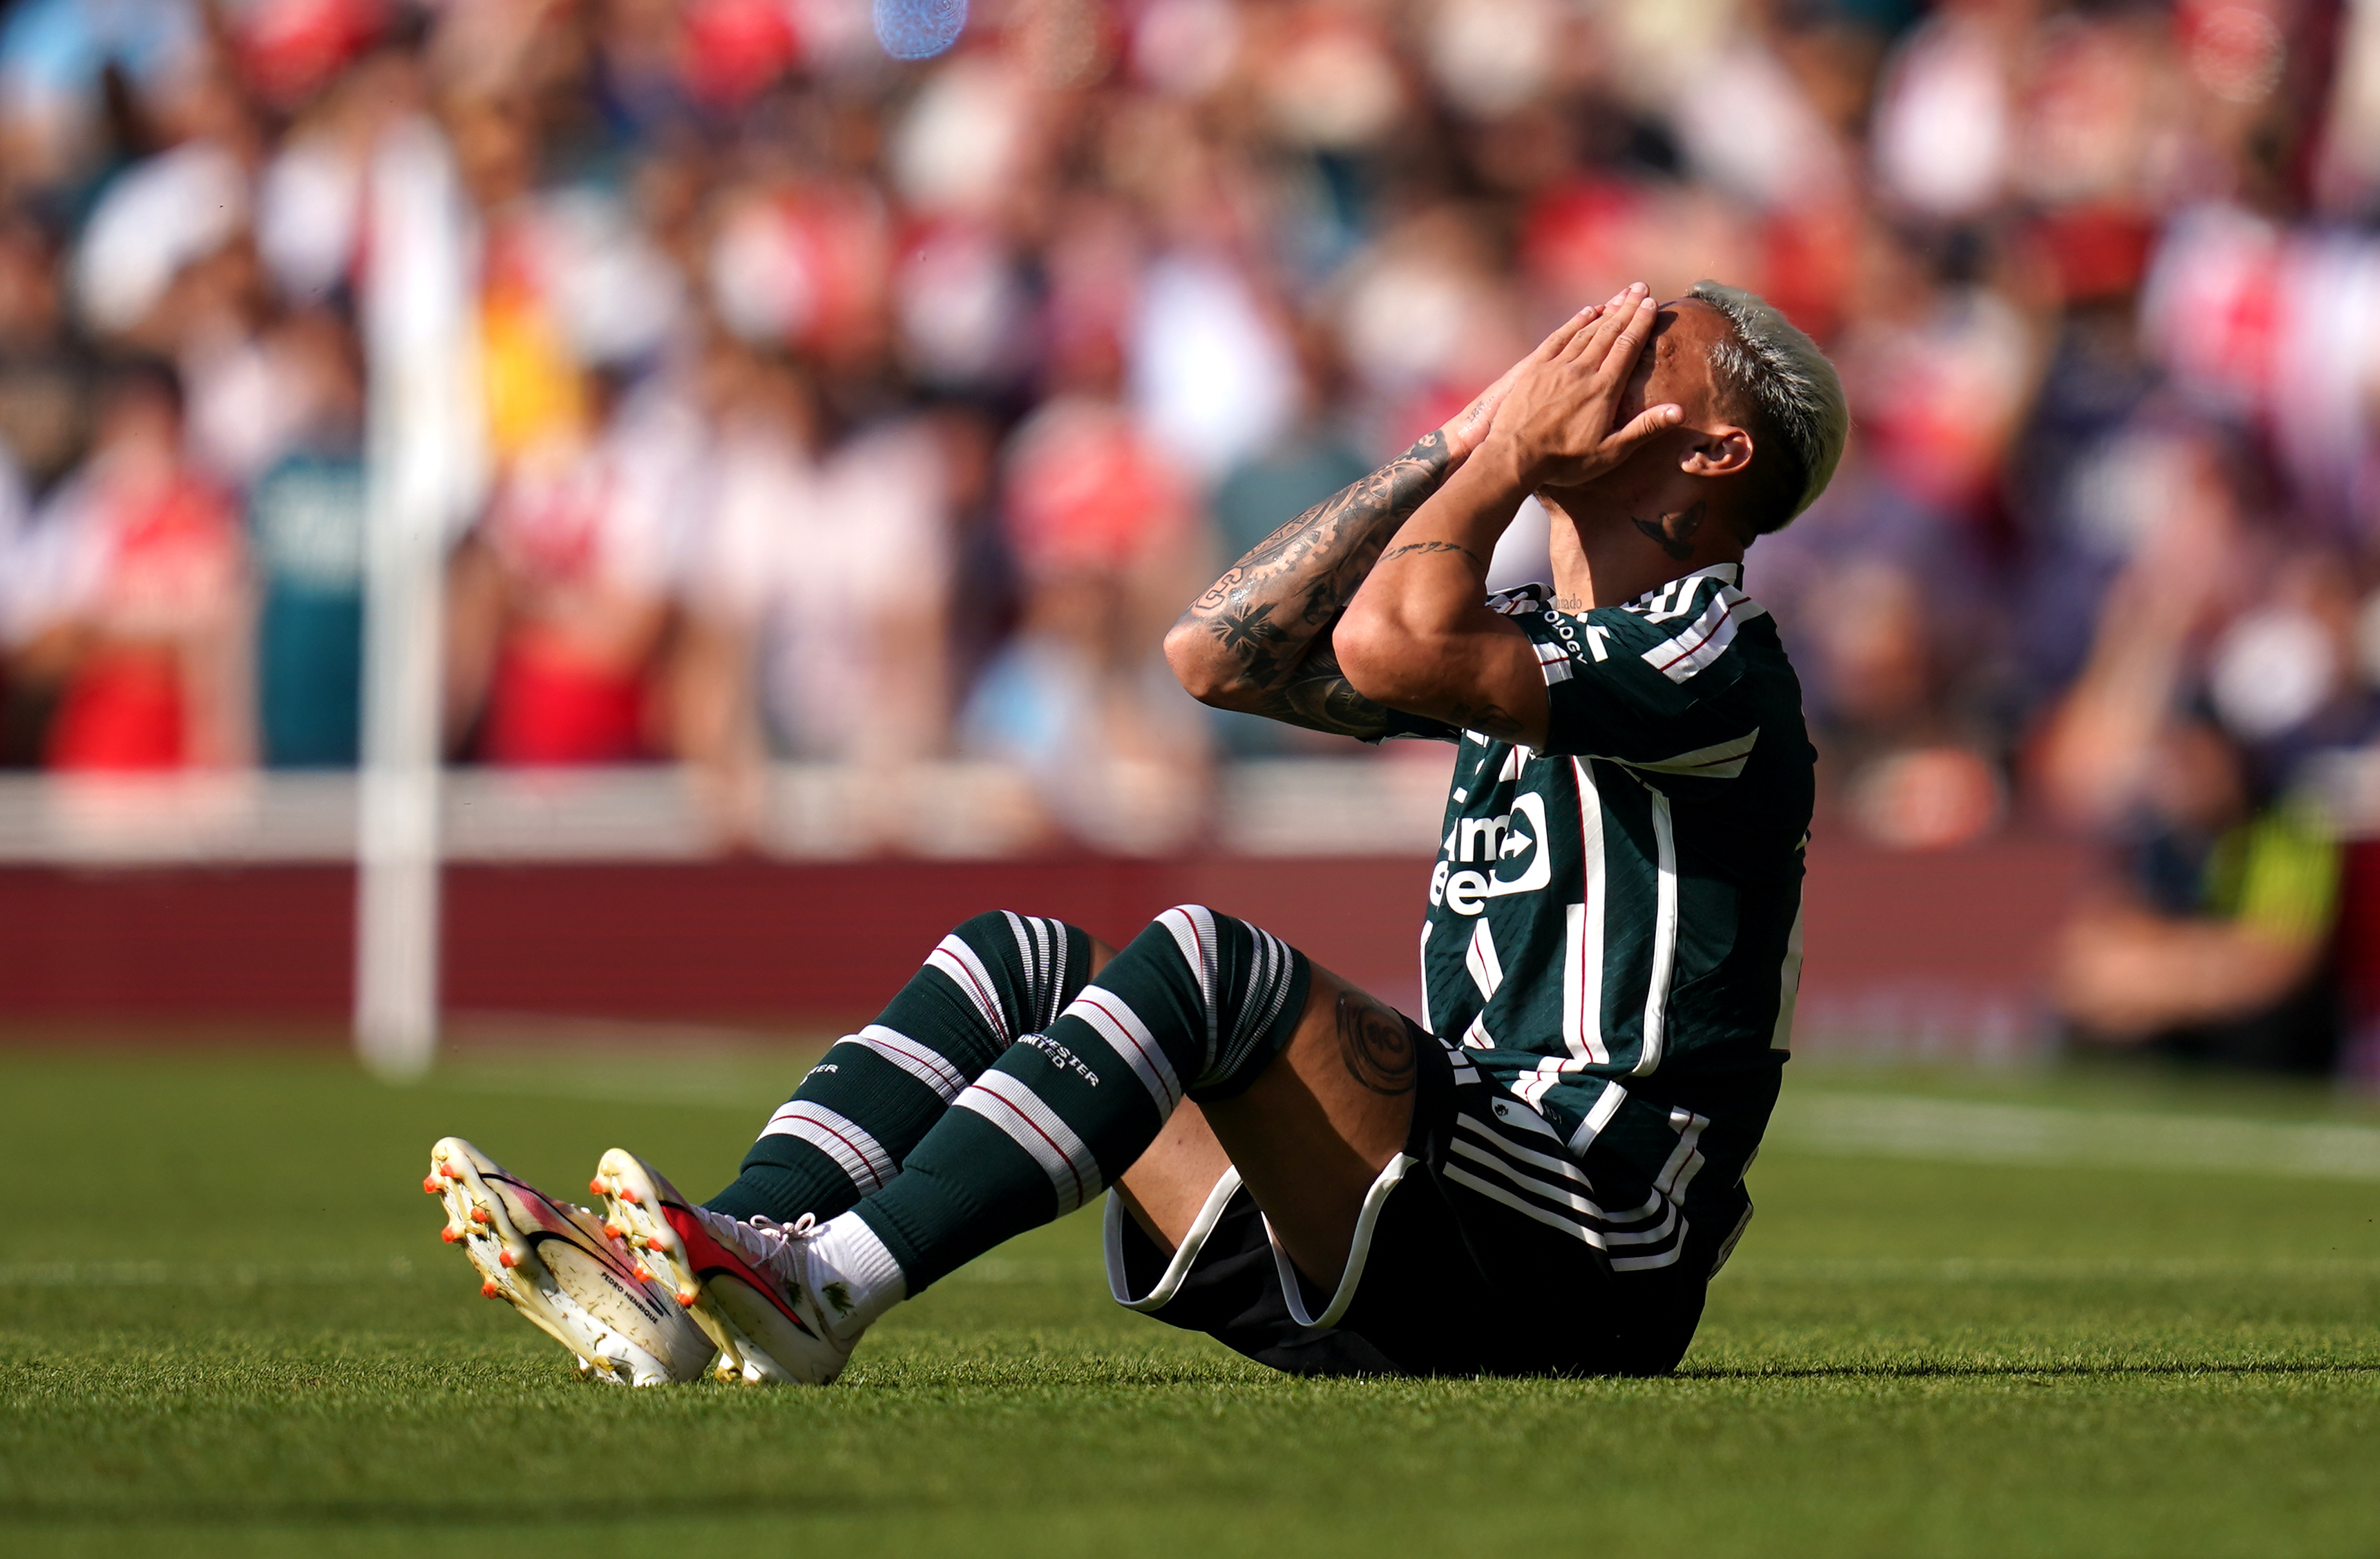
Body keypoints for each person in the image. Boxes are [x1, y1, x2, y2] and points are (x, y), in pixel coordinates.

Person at [425, 282, 1843, 1386]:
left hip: (1591, 1235)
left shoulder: (1708, 648)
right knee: (1022, 955)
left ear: (1713, 448)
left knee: (1207, 963)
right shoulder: (1529, 634)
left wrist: (1495, 453)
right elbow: (1214, 652)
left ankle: (829, 1288)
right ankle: (709, 1269)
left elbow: (1396, 638)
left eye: (1645, 340)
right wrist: (1464, 440)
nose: (1587, 337)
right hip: (1449, 1215)